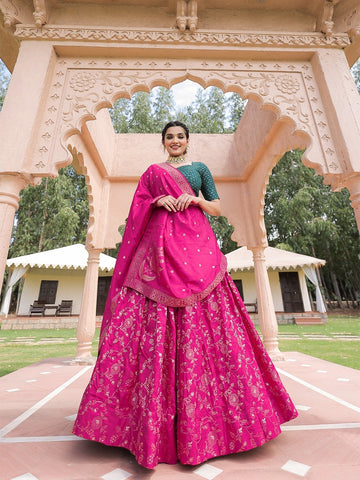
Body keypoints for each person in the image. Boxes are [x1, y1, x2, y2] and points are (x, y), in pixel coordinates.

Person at [73, 120, 298, 469]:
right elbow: (139, 207)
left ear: (187, 141)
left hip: (198, 247)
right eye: (169, 137)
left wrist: (192, 199)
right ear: (163, 142)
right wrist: (158, 200)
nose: (175, 141)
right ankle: (143, 428)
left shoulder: (200, 170)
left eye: (180, 136)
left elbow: (218, 208)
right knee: (146, 322)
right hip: (159, 252)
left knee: (213, 320)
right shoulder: (152, 173)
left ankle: (218, 424)